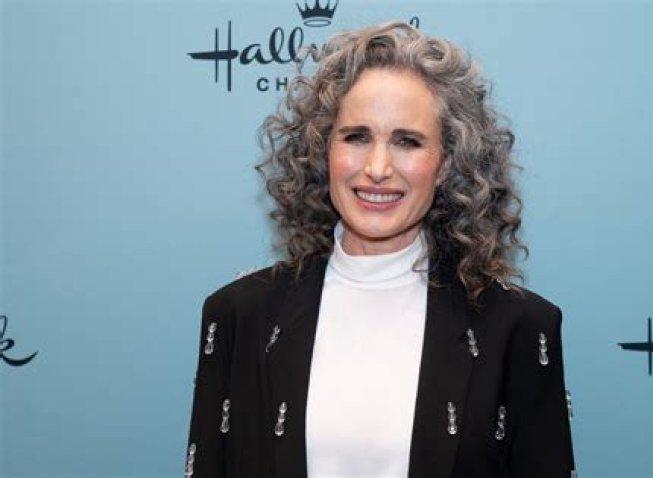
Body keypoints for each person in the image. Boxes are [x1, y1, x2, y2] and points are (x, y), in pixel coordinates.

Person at [184, 21, 576, 478]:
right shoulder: (239, 315)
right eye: (357, 136)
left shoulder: (518, 327)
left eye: (407, 141)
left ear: (445, 164)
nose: (377, 167)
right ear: (323, 150)